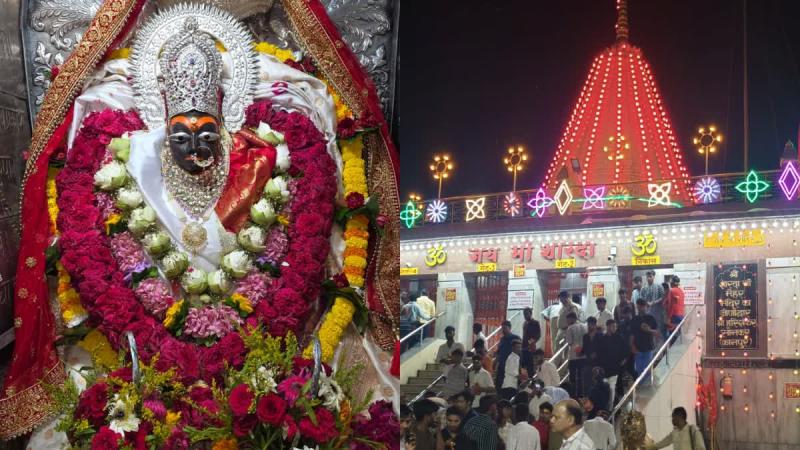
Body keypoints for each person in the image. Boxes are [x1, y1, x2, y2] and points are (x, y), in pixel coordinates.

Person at [597, 319, 628, 408]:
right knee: (608, 386)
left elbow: (625, 349)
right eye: (613, 326)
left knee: (617, 384)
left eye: (615, 326)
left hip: (617, 365)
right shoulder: (602, 339)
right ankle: (609, 404)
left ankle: (618, 403)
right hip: (606, 367)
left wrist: (624, 359)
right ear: (608, 327)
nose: (615, 328)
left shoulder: (619, 337)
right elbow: (600, 353)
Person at [630, 299, 660, 384]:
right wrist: (632, 346)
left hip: (648, 348)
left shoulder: (651, 318)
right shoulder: (634, 319)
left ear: (646, 307)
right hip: (637, 349)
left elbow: (657, 333)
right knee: (639, 371)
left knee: (647, 370)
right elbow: (632, 334)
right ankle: (640, 386)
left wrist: (649, 330)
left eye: (642, 306)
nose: (640, 308)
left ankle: (647, 387)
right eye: (639, 306)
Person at [565, 312, 588, 398]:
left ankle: (573, 395)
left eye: (568, 319)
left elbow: (569, 342)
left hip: (573, 356)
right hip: (583, 356)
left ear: (572, 319)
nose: (567, 322)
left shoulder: (570, 328)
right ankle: (581, 395)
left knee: (573, 378)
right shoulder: (585, 326)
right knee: (581, 377)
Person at [495, 320, 521, 390]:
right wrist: (495, 362)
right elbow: (498, 352)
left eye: (505, 328)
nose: (503, 330)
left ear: (510, 328)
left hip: (512, 367)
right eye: (502, 328)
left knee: (510, 387)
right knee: (499, 386)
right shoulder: (502, 339)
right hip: (501, 367)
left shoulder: (516, 338)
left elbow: (520, 352)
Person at [640, 270, 666, 336]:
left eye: (650, 276)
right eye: (647, 277)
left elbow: (663, 297)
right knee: (647, 329)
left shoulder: (659, 286)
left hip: (657, 312)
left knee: (658, 328)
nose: (649, 278)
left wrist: (654, 303)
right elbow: (641, 298)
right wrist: (646, 303)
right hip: (647, 312)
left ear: (654, 277)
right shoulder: (643, 288)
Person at [581, 317, 604, 391]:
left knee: (597, 384)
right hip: (588, 363)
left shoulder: (601, 336)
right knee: (586, 384)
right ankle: (587, 397)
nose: (588, 326)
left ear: (595, 325)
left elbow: (604, 349)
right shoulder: (585, 337)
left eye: (590, 324)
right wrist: (580, 352)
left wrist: (597, 353)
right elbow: (584, 349)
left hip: (598, 363)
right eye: (588, 324)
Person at [664, 276, 686, 343]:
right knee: (677, 335)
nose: (670, 283)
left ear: (673, 282)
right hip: (681, 315)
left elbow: (671, 305)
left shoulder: (672, 290)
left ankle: (670, 348)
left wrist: (668, 318)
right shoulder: (681, 291)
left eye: (670, 281)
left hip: (674, 316)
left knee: (672, 336)